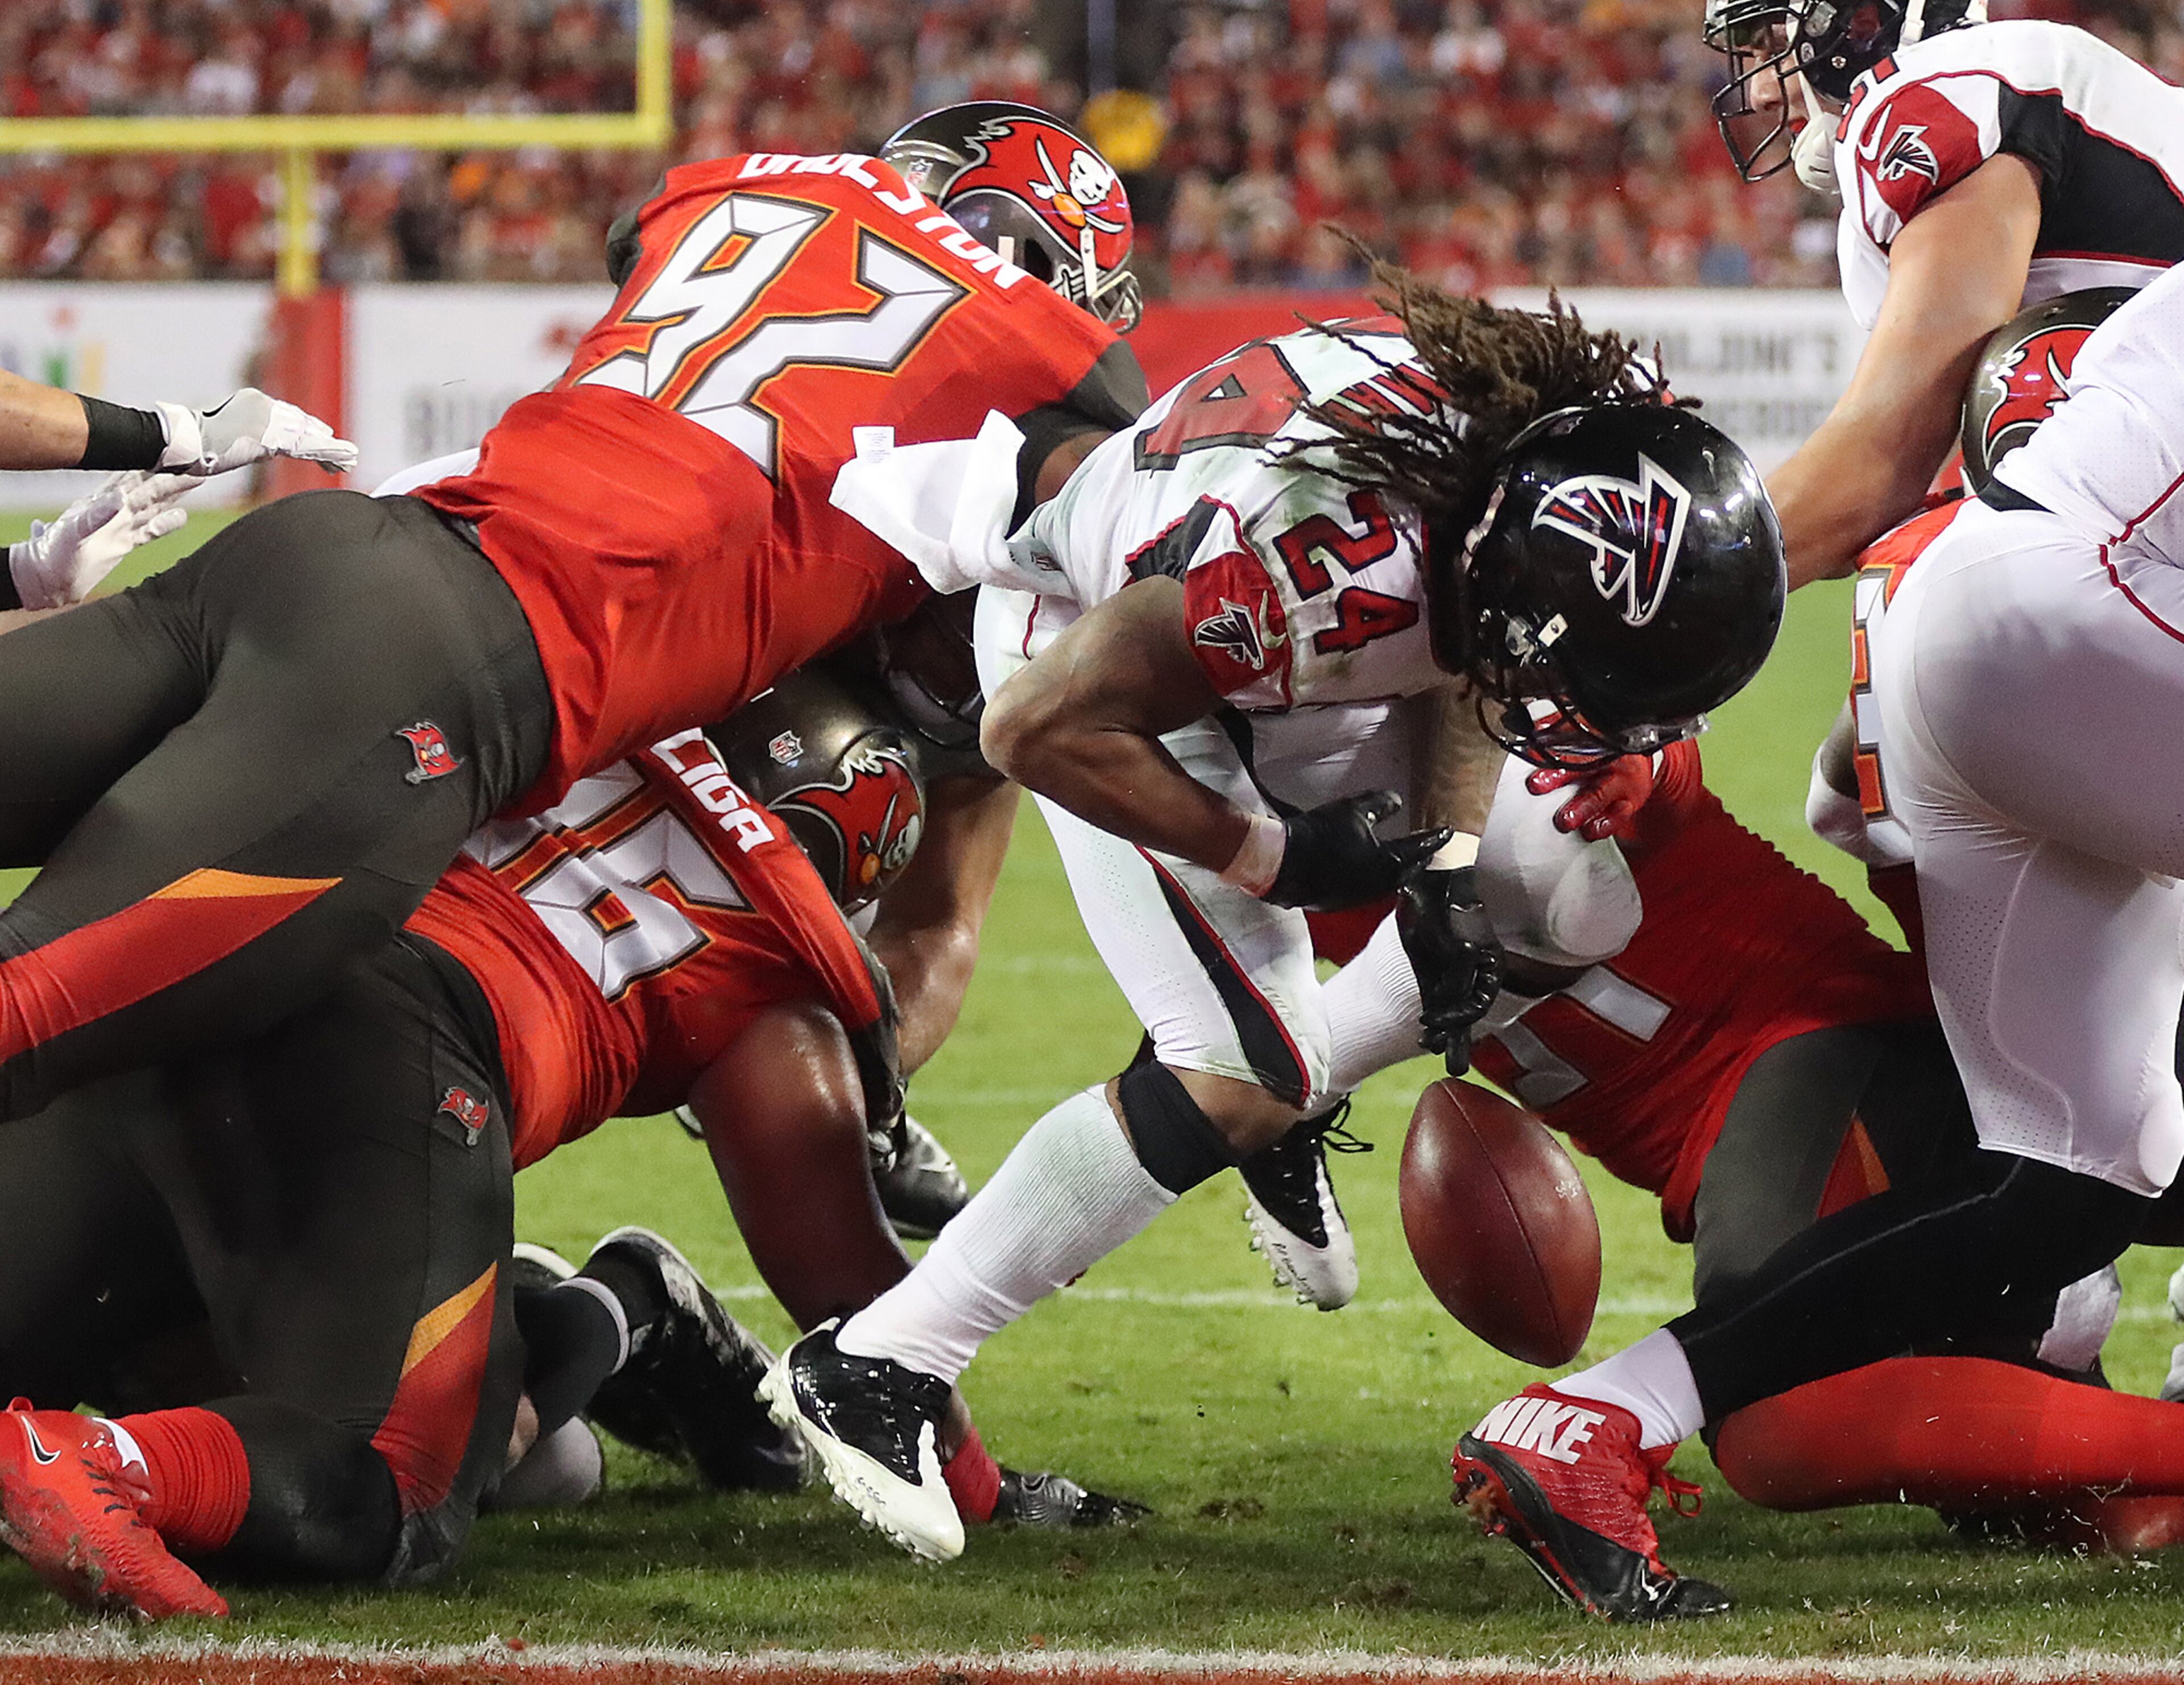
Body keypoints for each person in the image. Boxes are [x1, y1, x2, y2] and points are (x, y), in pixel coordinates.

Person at [763, 255, 1788, 1564]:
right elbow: (1034, 729)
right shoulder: (1317, 573)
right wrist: (1270, 859)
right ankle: (879, 1366)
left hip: (1276, 651)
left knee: (1533, 893)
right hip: (1085, 660)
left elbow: (1461, 649)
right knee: (1240, 1069)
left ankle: (1267, 1078)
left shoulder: (1524, 462)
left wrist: (1450, 857)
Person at [0, 106, 1145, 1128]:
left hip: (329, 552)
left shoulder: (749, 186)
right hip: (447, 682)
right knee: (33, 1013)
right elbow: (1136, 494)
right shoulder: (1034, 395)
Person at [0, 680, 1135, 1621]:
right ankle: (109, 1460)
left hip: (216, 955)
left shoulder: (585, 721)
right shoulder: (776, 968)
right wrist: (980, 1487)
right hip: (389, 1065)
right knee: (395, 1490)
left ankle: (570, 1319)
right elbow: (851, 1293)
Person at [1450, 266, 2184, 1620]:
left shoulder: (1978, 505)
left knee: (2083, 1175)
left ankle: (1598, 1418)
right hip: (2063, 632)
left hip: (1958, 644)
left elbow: (1845, 800)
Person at [1704, 0, 2184, 587]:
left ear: (1858, 22)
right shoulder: (2007, 82)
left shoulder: (1935, 88)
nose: (1759, 96)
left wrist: (1682, 580)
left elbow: (1879, 465)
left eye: (1767, 44)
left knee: (1930, 598)